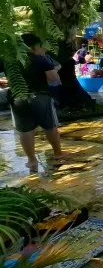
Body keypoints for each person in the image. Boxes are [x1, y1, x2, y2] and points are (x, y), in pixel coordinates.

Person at [9, 33, 66, 171]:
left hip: (17, 98)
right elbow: (54, 79)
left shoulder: (10, 60)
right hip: (40, 96)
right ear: (34, 45)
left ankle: (31, 160)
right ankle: (58, 154)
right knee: (50, 126)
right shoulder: (40, 59)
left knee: (25, 129)